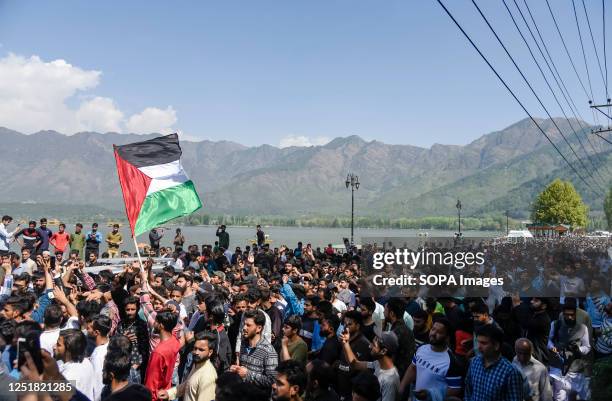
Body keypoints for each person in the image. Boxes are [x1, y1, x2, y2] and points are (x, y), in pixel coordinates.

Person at [400, 318, 464, 400]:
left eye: (439, 332)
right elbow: (413, 368)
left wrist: (431, 394)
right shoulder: (421, 348)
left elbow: (455, 389)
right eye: (433, 329)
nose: (433, 333)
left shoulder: (452, 362)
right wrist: (402, 386)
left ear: (447, 338)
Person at [464, 324, 524, 401]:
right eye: (478, 342)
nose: (479, 347)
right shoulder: (474, 362)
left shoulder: (510, 373)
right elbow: (468, 391)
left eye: (484, 343)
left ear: (496, 345)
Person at [548, 298, 591, 401]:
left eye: (572, 314)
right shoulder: (555, 324)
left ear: (576, 314)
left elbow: (587, 347)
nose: (569, 317)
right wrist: (552, 347)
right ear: (563, 314)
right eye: (567, 314)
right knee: (559, 397)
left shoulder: (582, 328)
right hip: (557, 369)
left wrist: (579, 349)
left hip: (574, 370)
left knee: (575, 396)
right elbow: (549, 340)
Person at [340, 330, 400, 401]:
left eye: (374, 345)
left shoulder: (390, 381)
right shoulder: (378, 364)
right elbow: (355, 364)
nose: (370, 346)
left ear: (383, 351)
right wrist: (345, 343)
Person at [229, 309, 278, 392]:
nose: (244, 328)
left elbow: (272, 381)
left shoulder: (268, 351)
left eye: (248, 325)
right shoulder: (243, 344)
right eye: (244, 324)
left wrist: (247, 374)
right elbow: (243, 370)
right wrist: (237, 370)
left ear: (259, 328)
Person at [160, 331, 217, 401]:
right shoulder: (197, 364)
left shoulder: (207, 376)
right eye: (195, 348)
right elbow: (188, 384)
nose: (196, 352)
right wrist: (169, 394)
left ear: (210, 352)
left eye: (201, 350)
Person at [144, 311, 181, 401]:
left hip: (156, 396)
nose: (154, 323)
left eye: (156, 321)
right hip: (165, 390)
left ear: (161, 326)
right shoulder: (174, 340)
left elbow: (151, 383)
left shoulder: (158, 353)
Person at [54, 328, 96, 400]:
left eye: (58, 345)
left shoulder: (68, 376)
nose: (54, 347)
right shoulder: (86, 362)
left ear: (69, 350)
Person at [384, 298, 415, 377]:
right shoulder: (405, 329)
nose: (383, 312)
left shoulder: (395, 333)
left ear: (391, 313)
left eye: (385, 310)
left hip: (396, 376)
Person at [89, 315, 112, 401]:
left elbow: (98, 383)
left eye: (90, 327)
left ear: (96, 332)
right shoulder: (110, 344)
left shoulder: (98, 355)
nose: (88, 329)